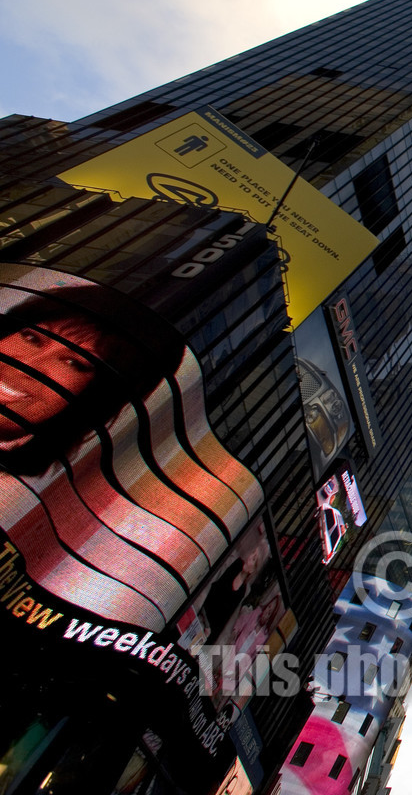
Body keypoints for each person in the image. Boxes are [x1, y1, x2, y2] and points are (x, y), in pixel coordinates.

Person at [0, 268, 262, 631]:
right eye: (31, 338)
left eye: (74, 362)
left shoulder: (22, 498)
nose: (30, 368)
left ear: (95, 397)